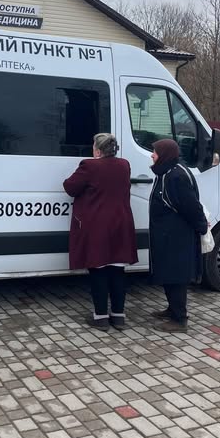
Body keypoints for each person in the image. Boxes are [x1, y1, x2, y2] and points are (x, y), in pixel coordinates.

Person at [63, 133, 138, 331]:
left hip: (97, 225)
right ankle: (119, 317)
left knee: (98, 270)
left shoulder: (89, 166)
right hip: (120, 223)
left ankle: (101, 318)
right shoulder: (124, 165)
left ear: (97, 150)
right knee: (117, 270)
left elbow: (70, 187)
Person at [149, 139, 208, 332]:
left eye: (155, 152)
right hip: (166, 234)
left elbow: (191, 207)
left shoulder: (176, 177)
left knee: (176, 275)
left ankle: (179, 319)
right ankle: (172, 309)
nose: (152, 155)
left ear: (165, 155)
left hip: (176, 237)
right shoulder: (165, 172)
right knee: (167, 273)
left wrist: (202, 226)